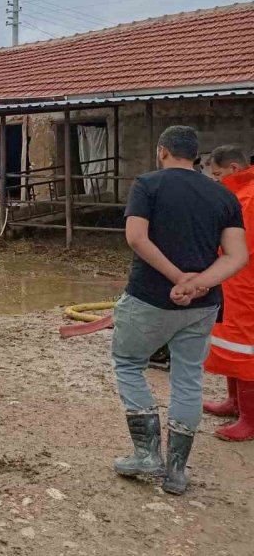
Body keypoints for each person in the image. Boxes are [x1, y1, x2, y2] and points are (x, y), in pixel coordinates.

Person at [111, 126, 247, 495]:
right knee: (188, 379)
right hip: (203, 305)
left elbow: (136, 237)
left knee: (129, 363)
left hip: (149, 298)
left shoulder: (147, 185)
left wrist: (177, 278)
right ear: (196, 156)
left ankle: (146, 454)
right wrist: (199, 283)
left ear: (162, 151)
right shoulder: (223, 194)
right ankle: (176, 471)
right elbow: (237, 256)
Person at [203, 145, 254, 441]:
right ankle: (234, 402)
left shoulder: (249, 197)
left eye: (218, 174)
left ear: (233, 168)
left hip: (246, 284)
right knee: (229, 342)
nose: (216, 180)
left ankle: (250, 418)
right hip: (231, 282)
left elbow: (241, 245)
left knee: (246, 348)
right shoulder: (238, 194)